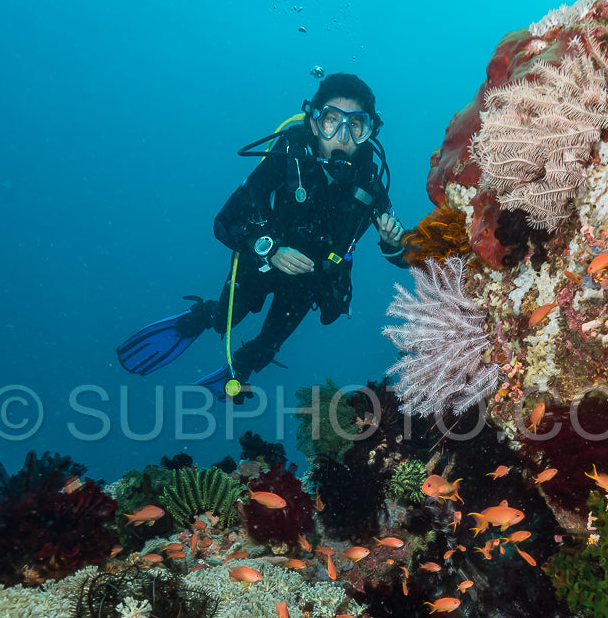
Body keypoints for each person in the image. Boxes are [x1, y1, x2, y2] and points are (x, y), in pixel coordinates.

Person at [117, 72, 408, 398]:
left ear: (370, 131)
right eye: (331, 120)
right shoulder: (289, 155)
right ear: (314, 123)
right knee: (224, 319)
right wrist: (268, 248)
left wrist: (393, 242)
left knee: (267, 346)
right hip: (260, 264)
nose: (342, 135)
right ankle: (200, 318)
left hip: (310, 281)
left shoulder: (369, 181)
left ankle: (237, 370)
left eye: (355, 125)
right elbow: (224, 221)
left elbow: (404, 257)